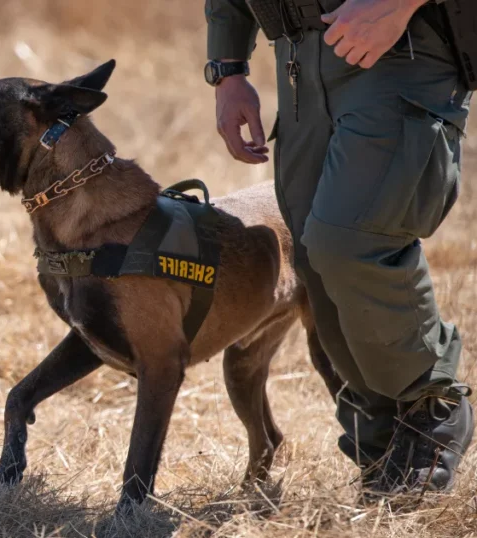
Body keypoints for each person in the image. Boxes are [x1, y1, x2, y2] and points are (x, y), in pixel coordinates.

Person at [203, 0, 474, 497]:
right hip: (299, 71)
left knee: (347, 242)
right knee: (314, 262)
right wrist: (227, 69)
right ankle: (383, 439)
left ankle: (432, 404)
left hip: (397, 50)